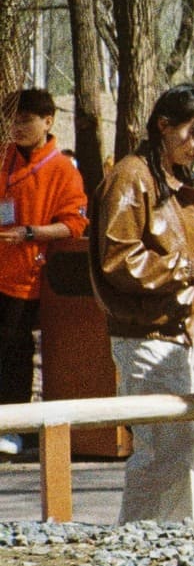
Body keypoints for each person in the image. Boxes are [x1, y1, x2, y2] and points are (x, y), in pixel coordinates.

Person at [90, 83, 194, 523]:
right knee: (161, 451)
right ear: (163, 126)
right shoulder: (132, 176)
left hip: (188, 330)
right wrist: (190, 270)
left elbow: (178, 250)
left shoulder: (174, 180)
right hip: (149, 334)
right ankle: (142, 541)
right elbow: (120, 259)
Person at [0, 90, 89, 455]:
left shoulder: (62, 169)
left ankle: (14, 429)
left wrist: (31, 233)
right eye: (13, 121)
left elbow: (74, 225)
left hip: (29, 277)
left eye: (26, 121)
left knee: (15, 353)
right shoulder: (4, 158)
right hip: (0, 268)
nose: (18, 128)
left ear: (48, 121)